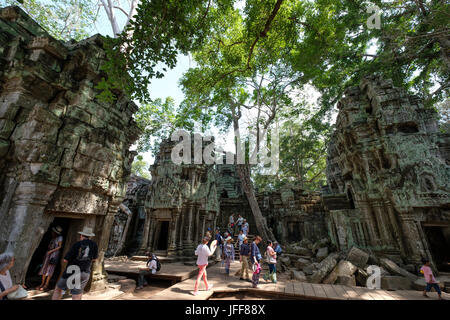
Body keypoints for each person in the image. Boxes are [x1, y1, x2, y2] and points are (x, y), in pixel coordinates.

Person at [52, 226, 98, 300]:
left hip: (72, 271)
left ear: (81, 236)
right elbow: (95, 259)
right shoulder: (94, 245)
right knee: (77, 293)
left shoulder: (77, 244)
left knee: (58, 289)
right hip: (85, 272)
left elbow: (65, 260)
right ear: (90, 237)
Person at [37, 225, 63, 291]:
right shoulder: (53, 238)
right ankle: (42, 283)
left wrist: (51, 251)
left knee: (50, 269)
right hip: (48, 254)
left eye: (53, 232)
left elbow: (59, 247)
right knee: (44, 268)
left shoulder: (60, 238)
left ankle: (46, 284)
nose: (52, 232)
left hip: (53, 255)